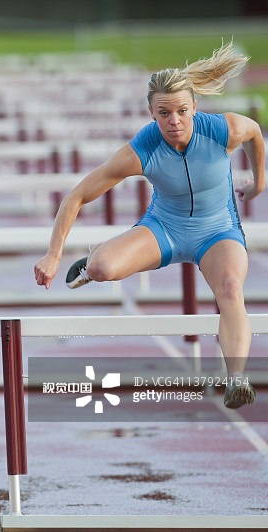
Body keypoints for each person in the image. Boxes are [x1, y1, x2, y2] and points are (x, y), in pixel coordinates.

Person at [34, 42, 264, 409]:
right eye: (164, 113)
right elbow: (75, 196)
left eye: (182, 111)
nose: (174, 122)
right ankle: (96, 254)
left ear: (194, 107)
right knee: (101, 269)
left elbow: (254, 133)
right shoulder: (142, 148)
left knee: (231, 289)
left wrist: (258, 181)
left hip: (217, 231)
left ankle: (236, 378)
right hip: (166, 228)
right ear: (151, 113)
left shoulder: (223, 130)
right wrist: (52, 254)